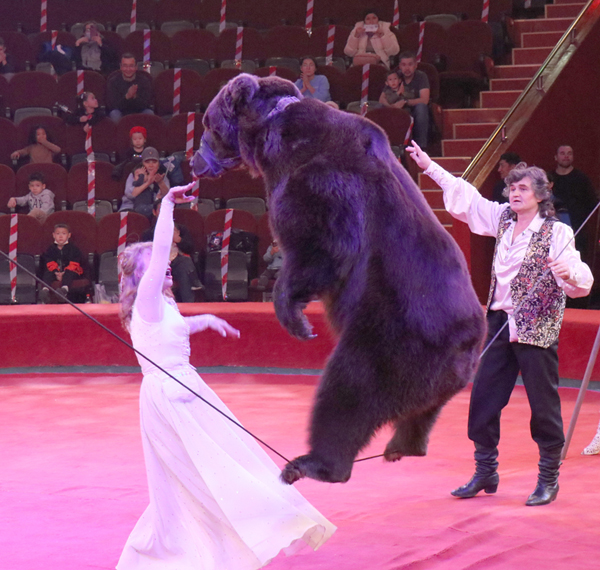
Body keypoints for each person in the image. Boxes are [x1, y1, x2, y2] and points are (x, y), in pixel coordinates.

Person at [116, 182, 335, 569]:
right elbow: (165, 246)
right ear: (141, 277)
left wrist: (206, 320)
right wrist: (167, 204)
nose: (165, 263)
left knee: (212, 465)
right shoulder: (148, 301)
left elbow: (175, 330)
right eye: (155, 261)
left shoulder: (163, 304)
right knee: (202, 470)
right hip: (170, 396)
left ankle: (214, 544)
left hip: (185, 388)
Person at [407, 140, 593, 506]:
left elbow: (581, 282)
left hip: (536, 327)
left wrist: (568, 270)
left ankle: (547, 478)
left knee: (543, 407)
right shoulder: (503, 219)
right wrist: (429, 166)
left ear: (540, 195)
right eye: (511, 187)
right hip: (499, 321)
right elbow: (467, 199)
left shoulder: (556, 232)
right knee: (484, 401)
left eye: (522, 188)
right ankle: (485, 470)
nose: (514, 192)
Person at [141, 199, 204, 302]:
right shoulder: (148, 233)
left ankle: (188, 305)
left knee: (185, 263)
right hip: (157, 263)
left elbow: (190, 248)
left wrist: (178, 239)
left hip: (176, 261)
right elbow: (144, 252)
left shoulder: (181, 229)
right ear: (154, 212)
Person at [549, 144, 598, 261]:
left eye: (569, 153)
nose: (566, 156)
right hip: (552, 231)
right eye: (562, 153)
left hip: (577, 231)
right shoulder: (548, 178)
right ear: (556, 157)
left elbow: (591, 203)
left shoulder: (582, 179)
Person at [39, 223, 85, 303]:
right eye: (58, 234)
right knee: (48, 273)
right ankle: (45, 290)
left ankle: (64, 289)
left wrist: (64, 273)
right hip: (55, 271)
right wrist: (56, 272)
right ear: (53, 235)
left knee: (70, 273)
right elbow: (49, 261)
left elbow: (75, 262)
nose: (60, 236)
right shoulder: (51, 248)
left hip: (69, 270)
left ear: (69, 235)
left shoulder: (73, 248)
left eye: (64, 234)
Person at [393, 52, 430, 149]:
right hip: (399, 108)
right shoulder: (395, 76)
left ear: (415, 65)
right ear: (399, 66)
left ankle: (421, 147)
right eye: (404, 65)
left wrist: (406, 102)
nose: (407, 68)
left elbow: (424, 100)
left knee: (421, 108)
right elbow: (384, 98)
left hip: (415, 108)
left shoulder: (421, 76)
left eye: (410, 64)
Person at [120, 147, 169, 218]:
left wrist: (160, 183)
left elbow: (167, 197)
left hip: (152, 210)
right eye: (147, 162)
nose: (151, 165)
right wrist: (148, 183)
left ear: (158, 164)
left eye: (154, 162)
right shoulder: (134, 174)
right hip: (130, 208)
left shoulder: (162, 177)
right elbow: (130, 194)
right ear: (142, 163)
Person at [107, 53, 154, 123]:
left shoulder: (144, 81)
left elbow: (146, 104)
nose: (128, 69)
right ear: (121, 67)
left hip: (140, 111)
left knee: (149, 113)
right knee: (114, 114)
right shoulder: (113, 81)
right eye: (125, 66)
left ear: (136, 67)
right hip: (121, 112)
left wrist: (135, 97)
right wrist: (127, 97)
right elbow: (113, 105)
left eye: (131, 66)